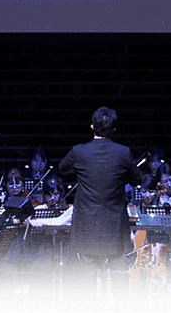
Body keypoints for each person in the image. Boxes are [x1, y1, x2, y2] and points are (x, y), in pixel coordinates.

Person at [56, 106, 145, 298]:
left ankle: (89, 311)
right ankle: (120, 310)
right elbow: (138, 179)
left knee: (88, 274)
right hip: (115, 225)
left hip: (86, 224)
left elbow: (62, 169)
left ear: (92, 127)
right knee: (118, 271)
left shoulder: (79, 152)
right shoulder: (123, 153)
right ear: (114, 129)